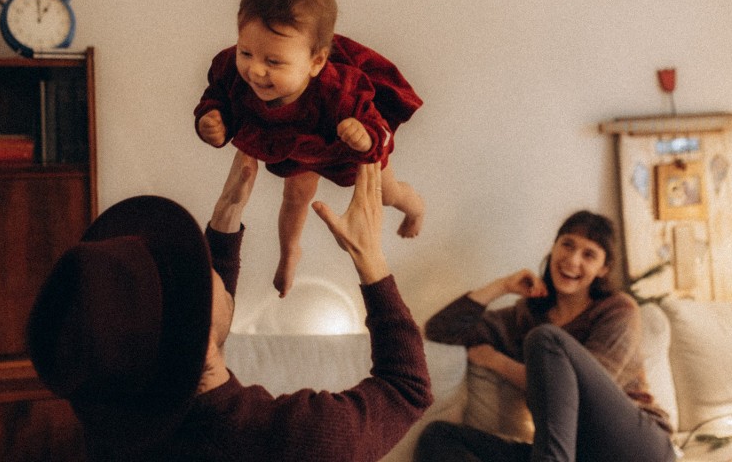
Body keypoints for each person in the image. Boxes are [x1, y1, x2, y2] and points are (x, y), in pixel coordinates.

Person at [26, 154, 433, 462]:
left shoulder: (115, 429)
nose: (209, 267)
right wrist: (370, 258)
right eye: (201, 271)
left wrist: (227, 215)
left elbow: (199, 322)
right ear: (199, 334)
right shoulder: (299, 439)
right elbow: (408, 388)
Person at [194, 0, 425, 297]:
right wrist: (211, 119)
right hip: (298, 148)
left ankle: (415, 208)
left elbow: (375, 125)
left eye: (274, 62)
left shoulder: (340, 87)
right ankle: (290, 253)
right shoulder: (234, 68)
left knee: (386, 194)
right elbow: (218, 95)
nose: (255, 70)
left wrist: (364, 135)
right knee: (295, 198)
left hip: (344, 148)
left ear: (316, 62)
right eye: (247, 52)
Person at [413, 211, 676, 462]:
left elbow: (580, 394)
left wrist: (498, 363)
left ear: (603, 269)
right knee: (438, 437)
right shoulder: (526, 315)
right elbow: (440, 329)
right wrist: (502, 287)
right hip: (570, 453)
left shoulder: (618, 310)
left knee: (545, 339)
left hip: (637, 445)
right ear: (554, 248)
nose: (573, 260)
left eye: (589, 255)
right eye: (567, 245)